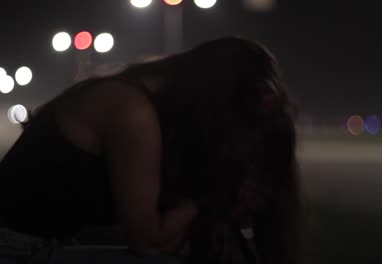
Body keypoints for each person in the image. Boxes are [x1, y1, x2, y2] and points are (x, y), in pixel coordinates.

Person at [0, 36, 300, 264]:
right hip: (17, 248)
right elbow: (150, 243)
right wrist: (214, 194)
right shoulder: (130, 111)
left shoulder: (135, 97)